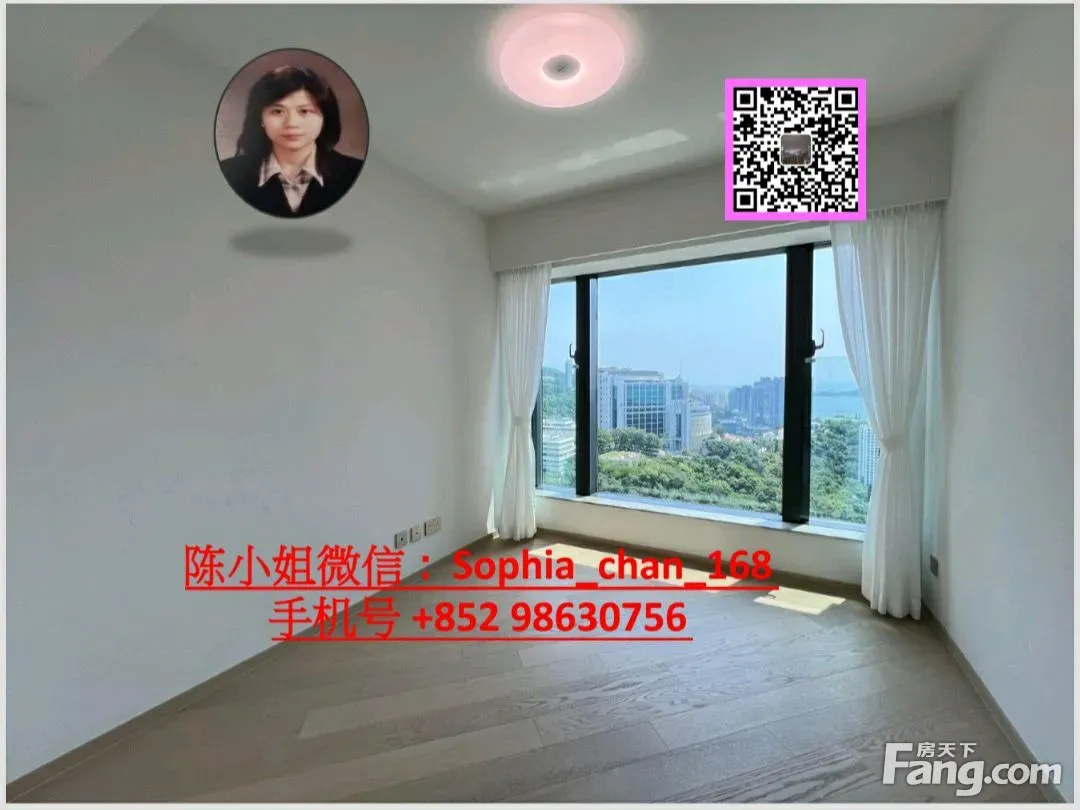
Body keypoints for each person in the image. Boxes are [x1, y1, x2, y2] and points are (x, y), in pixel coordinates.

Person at [218, 65, 365, 218]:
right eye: (277, 111)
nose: (291, 123)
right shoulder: (230, 172)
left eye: (304, 111)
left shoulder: (355, 173)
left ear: (324, 117)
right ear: (260, 119)